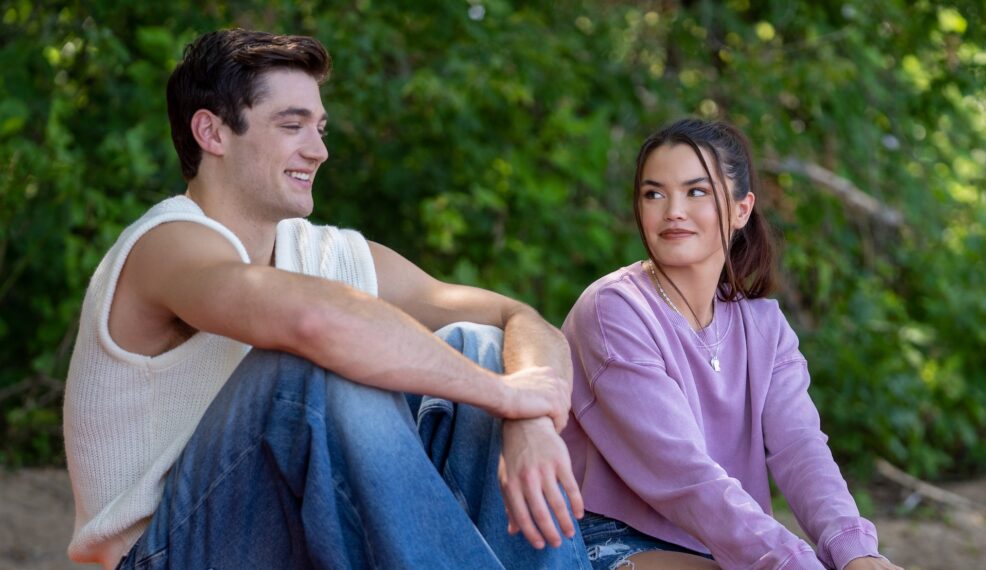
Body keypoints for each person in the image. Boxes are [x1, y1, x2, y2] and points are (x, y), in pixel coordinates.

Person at [63, 28, 589, 569]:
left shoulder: (325, 254)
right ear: (212, 132)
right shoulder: (167, 244)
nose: (318, 151)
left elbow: (518, 316)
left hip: (277, 541)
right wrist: (503, 395)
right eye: (292, 126)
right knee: (305, 370)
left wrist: (527, 414)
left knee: (480, 345)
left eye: (319, 128)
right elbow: (314, 322)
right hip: (164, 556)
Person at [560, 118, 903, 570]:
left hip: (719, 544)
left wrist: (855, 550)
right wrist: (792, 561)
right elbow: (682, 474)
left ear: (741, 210)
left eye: (696, 191)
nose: (673, 210)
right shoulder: (614, 310)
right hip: (606, 539)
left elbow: (800, 448)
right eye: (654, 194)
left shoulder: (764, 326)